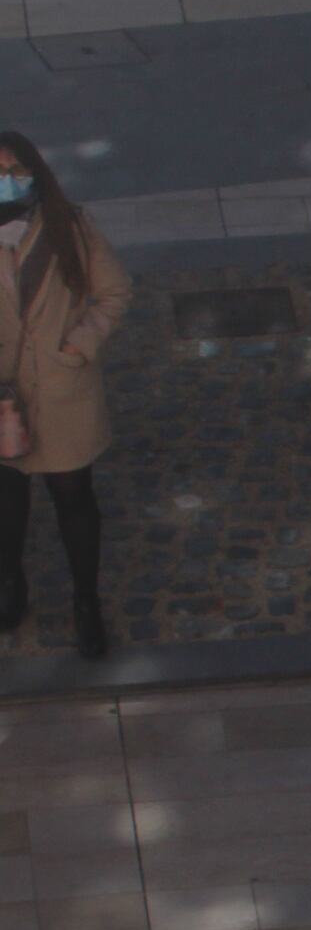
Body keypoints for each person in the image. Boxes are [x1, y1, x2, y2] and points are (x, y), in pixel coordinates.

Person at [0, 131, 129, 658]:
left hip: (62, 392)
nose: (6, 180)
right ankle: (11, 587)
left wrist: (78, 346)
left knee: (74, 501)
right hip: (4, 398)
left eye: (13, 168)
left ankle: (85, 602)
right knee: (7, 504)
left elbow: (114, 292)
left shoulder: (69, 227)